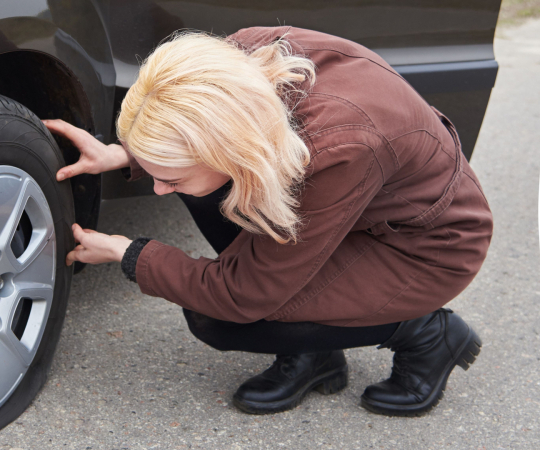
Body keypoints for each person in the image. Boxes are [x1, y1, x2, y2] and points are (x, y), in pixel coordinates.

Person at [41, 26, 493, 417]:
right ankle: (316, 356)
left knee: (221, 318)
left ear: (228, 148)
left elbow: (239, 293)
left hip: (422, 247)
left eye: (169, 177)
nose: (158, 189)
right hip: (347, 212)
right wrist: (125, 152)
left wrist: (129, 254)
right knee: (209, 191)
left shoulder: (338, 149)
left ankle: (426, 331)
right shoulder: (236, 64)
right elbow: (200, 129)